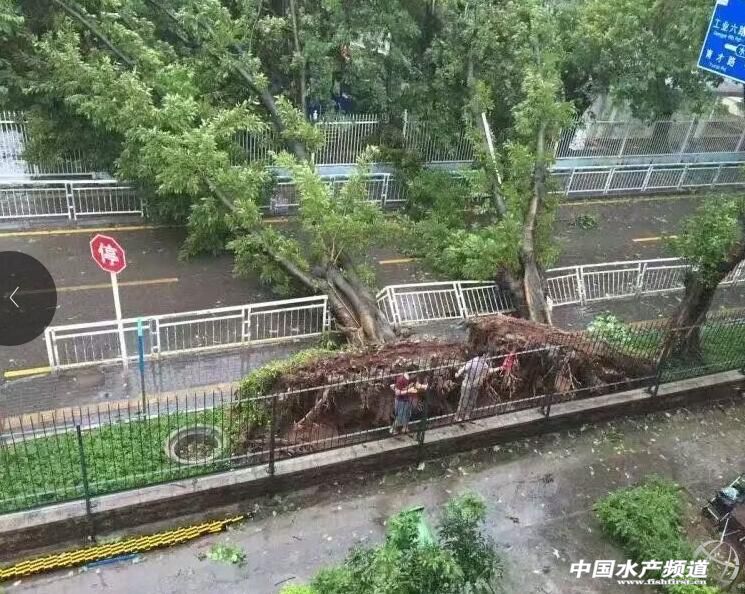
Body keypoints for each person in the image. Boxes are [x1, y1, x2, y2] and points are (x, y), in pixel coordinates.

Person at [454, 353, 497, 421]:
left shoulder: (484, 364)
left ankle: (467, 416)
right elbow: (464, 368)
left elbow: (488, 370)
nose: (487, 357)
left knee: (472, 401)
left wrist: (499, 368)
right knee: (464, 402)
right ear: (483, 355)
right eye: (486, 356)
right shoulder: (473, 361)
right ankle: (458, 417)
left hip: (475, 385)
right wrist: (458, 374)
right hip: (467, 385)